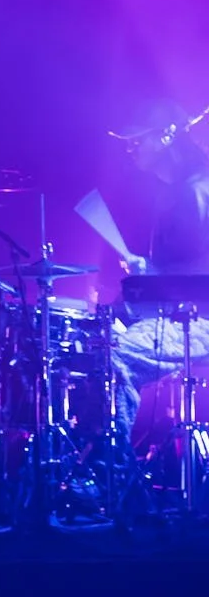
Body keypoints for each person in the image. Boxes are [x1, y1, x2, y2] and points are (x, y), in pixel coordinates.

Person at [111, 109, 209, 435]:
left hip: (199, 321)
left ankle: (114, 472)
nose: (130, 149)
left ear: (166, 135)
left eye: (137, 140)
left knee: (114, 360)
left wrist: (150, 273)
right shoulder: (175, 190)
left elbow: (197, 277)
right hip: (179, 314)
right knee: (91, 342)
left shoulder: (197, 189)